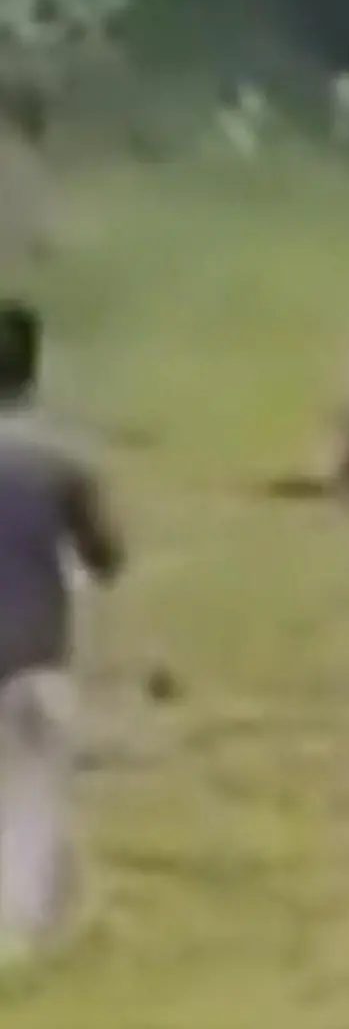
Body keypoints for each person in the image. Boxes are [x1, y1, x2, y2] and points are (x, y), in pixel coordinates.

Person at [0, 299, 125, 963]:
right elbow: (107, 559)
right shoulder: (60, 461)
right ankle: (18, 940)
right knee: (31, 802)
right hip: (33, 657)